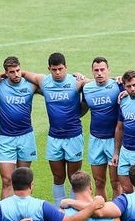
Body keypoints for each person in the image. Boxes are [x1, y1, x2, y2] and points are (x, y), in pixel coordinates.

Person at [20, 52, 86, 206]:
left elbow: (97, 82)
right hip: (54, 138)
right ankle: (59, 209)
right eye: (54, 69)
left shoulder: (76, 82)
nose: (57, 72)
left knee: (74, 177)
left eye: (60, 69)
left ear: (66, 67)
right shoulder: (43, 81)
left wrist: (117, 79)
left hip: (74, 136)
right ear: (49, 69)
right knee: (58, 177)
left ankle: (72, 208)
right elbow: (21, 73)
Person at [0, 56, 38, 199]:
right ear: (6, 72)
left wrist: (77, 76)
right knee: (7, 180)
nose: (16, 74)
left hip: (26, 137)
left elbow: (51, 82)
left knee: (24, 180)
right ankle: (5, 212)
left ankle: (24, 209)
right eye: (11, 72)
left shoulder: (31, 85)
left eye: (18, 71)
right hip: (6, 138)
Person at [82, 57, 122, 199]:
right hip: (95, 139)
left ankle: (116, 211)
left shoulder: (118, 85)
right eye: (96, 70)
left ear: (108, 70)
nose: (99, 73)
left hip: (113, 140)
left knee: (116, 183)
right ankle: (102, 211)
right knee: (99, 182)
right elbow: (82, 109)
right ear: (92, 72)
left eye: (102, 70)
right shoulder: (87, 88)